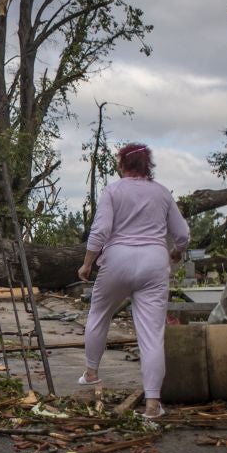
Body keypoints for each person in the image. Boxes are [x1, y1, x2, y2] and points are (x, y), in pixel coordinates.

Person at [77, 143, 189, 420]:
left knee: (99, 314)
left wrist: (88, 262)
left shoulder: (113, 191)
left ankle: (91, 373)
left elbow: (101, 230)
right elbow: (183, 233)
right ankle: (152, 403)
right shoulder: (162, 193)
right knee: (151, 335)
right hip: (153, 262)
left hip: (117, 260)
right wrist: (176, 252)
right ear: (146, 165)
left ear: (122, 165)